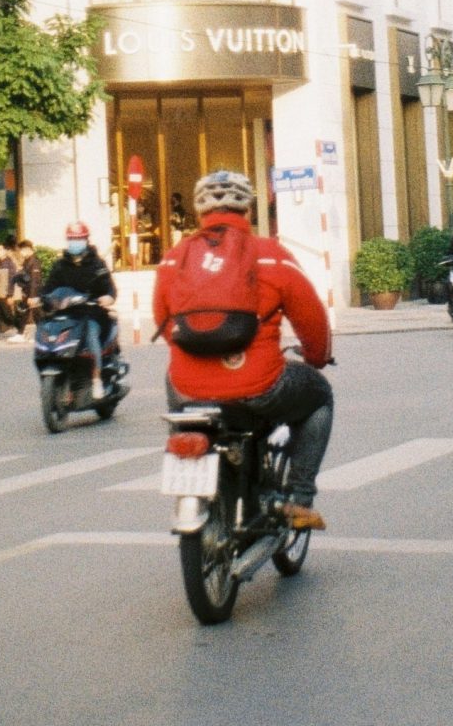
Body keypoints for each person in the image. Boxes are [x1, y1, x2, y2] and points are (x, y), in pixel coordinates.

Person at [153, 169, 335, 530]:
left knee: (174, 382)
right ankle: (299, 500)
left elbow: (164, 321)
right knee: (320, 398)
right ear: (249, 210)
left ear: (199, 212)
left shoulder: (175, 259)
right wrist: (316, 358)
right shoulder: (271, 256)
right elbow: (312, 320)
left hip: (187, 387)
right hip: (259, 385)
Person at [41, 222, 119, 379]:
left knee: (91, 334)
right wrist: (42, 298)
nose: (74, 242)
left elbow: (110, 288)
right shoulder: (60, 265)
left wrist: (108, 297)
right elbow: (48, 288)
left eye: (78, 238)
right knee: (48, 333)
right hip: (66, 313)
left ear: (86, 240)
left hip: (91, 313)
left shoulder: (97, 264)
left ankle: (97, 376)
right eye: (71, 238)